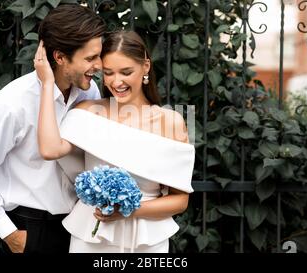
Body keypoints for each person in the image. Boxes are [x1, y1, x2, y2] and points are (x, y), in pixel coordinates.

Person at [0, 4, 106, 254]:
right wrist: (11, 235)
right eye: (91, 58)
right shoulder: (10, 105)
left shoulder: (88, 91)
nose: (99, 65)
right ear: (59, 57)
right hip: (29, 230)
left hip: (77, 227)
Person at [34, 31, 195, 253]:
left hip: (147, 239)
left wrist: (129, 209)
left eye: (126, 72)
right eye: (108, 73)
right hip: (90, 235)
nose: (116, 82)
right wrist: (47, 83)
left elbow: (179, 201)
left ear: (145, 67)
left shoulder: (171, 121)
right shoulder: (87, 112)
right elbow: (50, 149)